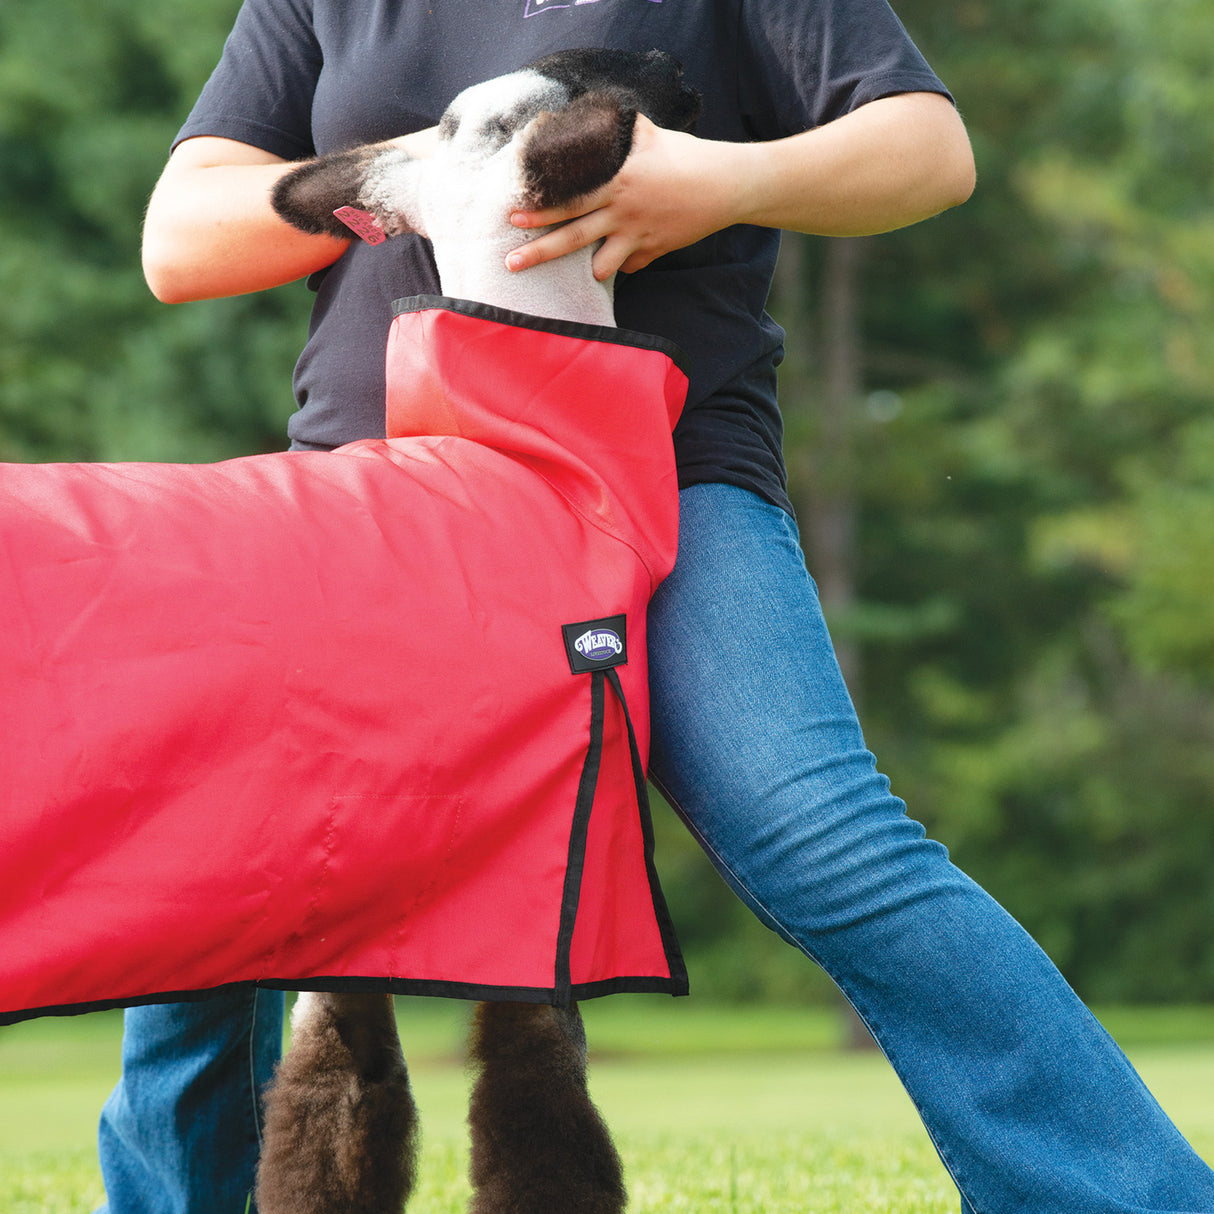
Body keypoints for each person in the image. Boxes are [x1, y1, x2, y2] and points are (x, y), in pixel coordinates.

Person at [98, 1, 1214, 1212]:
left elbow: (927, 152)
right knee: (209, 851)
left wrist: (718, 181)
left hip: (655, 484)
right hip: (379, 502)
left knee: (815, 829)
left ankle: (1134, 1196)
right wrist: (401, 175)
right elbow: (180, 243)